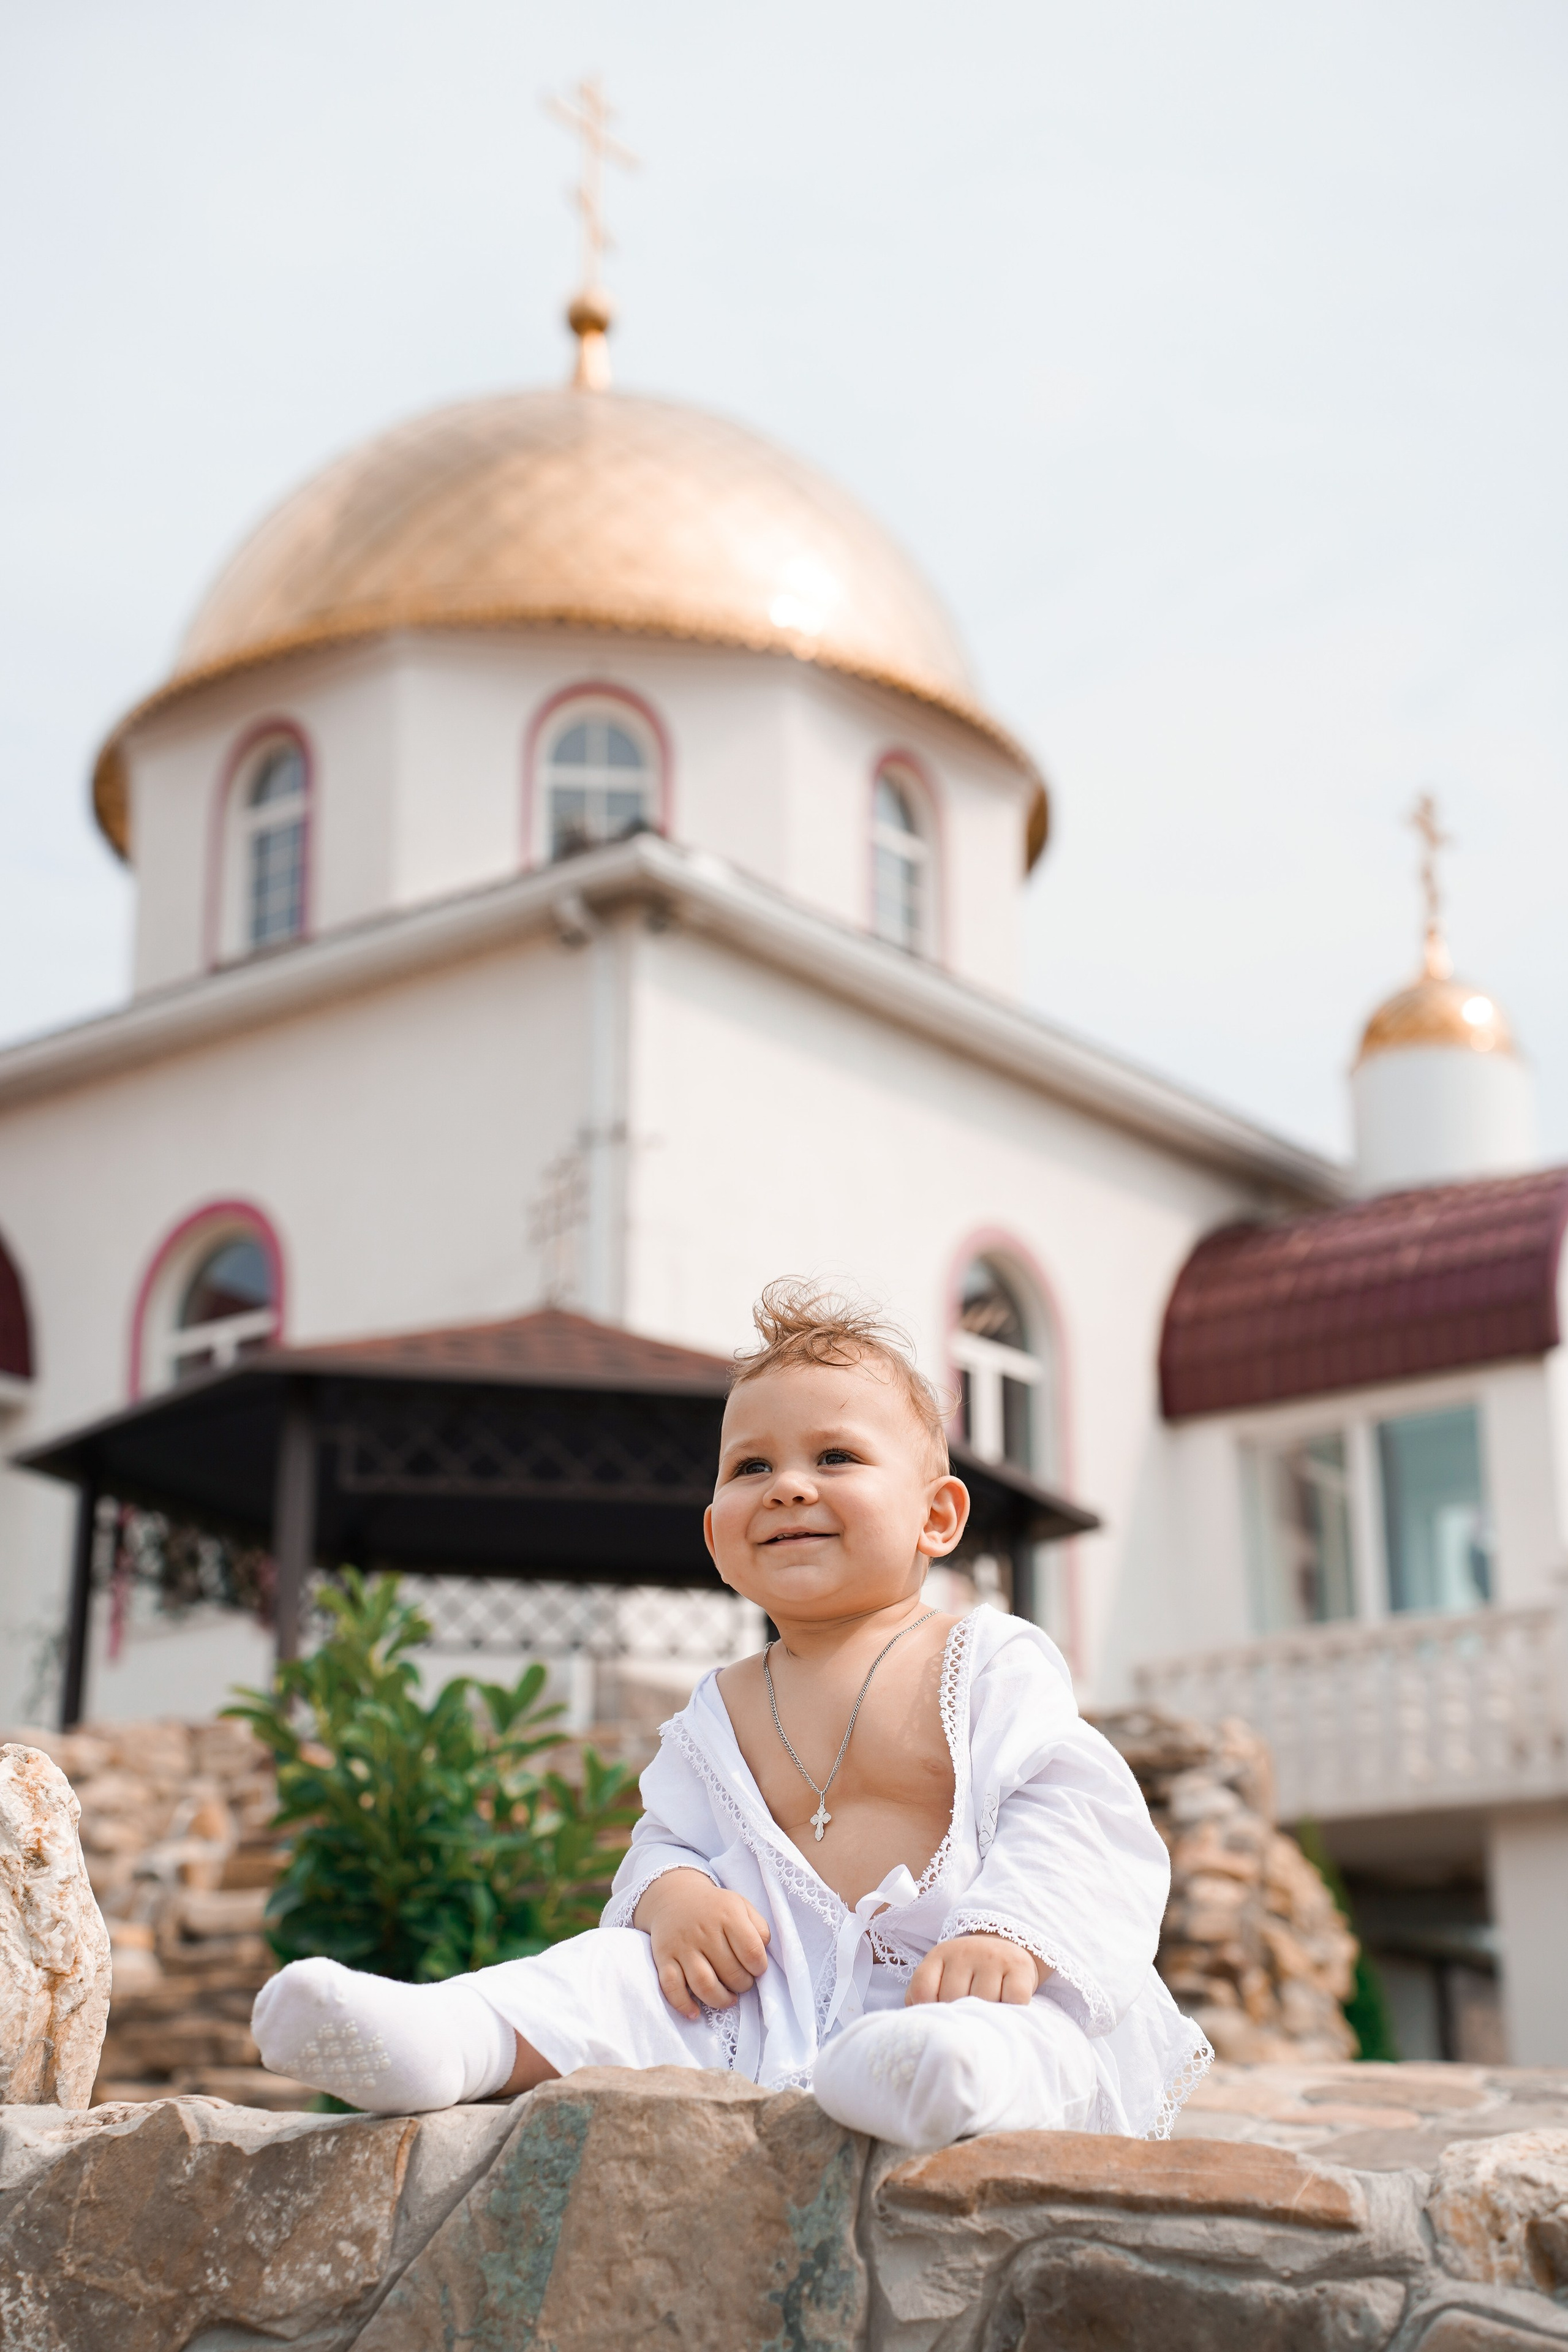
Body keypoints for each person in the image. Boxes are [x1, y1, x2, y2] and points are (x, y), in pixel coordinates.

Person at [253, 1283, 1210, 2149]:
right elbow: (668, 1839)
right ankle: (455, 2036)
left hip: (960, 1980)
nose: (789, 1484)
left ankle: (943, 2075)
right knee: (612, 1977)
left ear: (937, 1517)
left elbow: (1073, 1808)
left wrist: (1012, 1931)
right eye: (752, 1466)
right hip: (767, 2003)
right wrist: (676, 1899)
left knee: (1035, 2039)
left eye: (836, 1456)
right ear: (717, 1539)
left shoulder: (984, 1660)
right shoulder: (721, 1707)